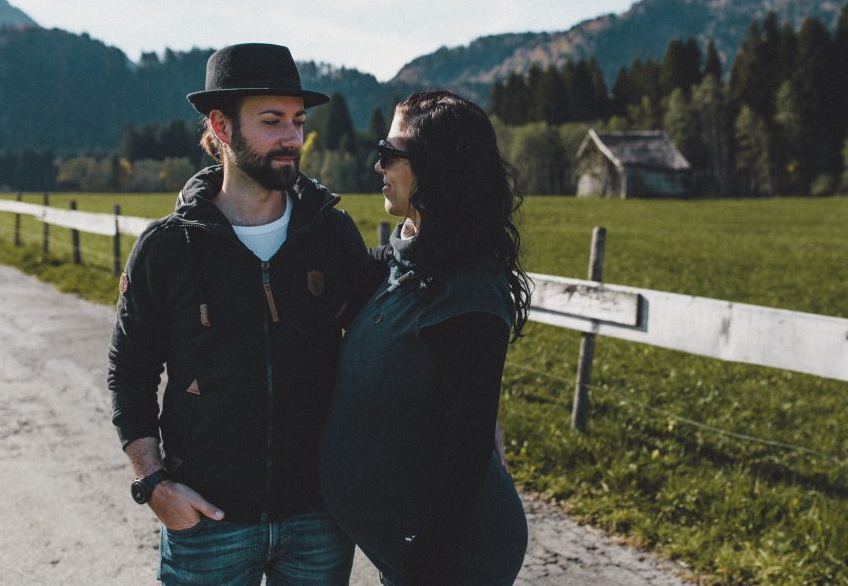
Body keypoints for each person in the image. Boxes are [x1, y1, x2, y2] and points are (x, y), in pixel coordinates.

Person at [107, 43, 379, 585]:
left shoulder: (330, 234)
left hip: (319, 518)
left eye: (298, 121)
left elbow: (384, 345)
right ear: (222, 127)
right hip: (208, 519)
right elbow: (129, 372)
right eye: (272, 121)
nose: (293, 138)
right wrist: (153, 484)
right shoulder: (168, 248)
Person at [319, 90, 532, 585]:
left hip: (452, 557)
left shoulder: (468, 291)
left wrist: (426, 566)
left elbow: (466, 452)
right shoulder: (406, 260)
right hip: (410, 549)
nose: (378, 165)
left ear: (435, 168)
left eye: (391, 153)